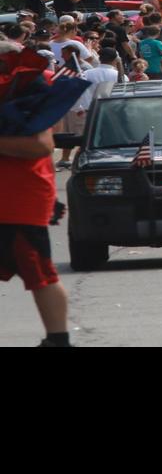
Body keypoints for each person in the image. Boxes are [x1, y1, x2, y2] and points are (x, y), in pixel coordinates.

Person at [0, 123, 76, 347]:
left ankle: (58, 340)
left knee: (40, 274)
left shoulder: (24, 89)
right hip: (18, 201)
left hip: (15, 205)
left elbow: (42, 145)